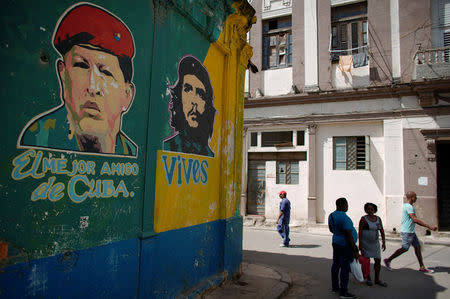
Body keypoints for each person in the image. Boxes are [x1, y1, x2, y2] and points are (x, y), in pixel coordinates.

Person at [19, 3, 137, 156]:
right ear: (63, 75)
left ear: (127, 94)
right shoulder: (37, 139)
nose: (92, 87)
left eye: (106, 72)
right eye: (81, 65)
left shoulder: (130, 152)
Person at [163, 55, 216, 157]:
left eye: (200, 94)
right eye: (188, 89)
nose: (194, 101)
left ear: (207, 105)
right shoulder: (166, 148)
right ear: (179, 96)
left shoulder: (210, 156)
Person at [384, 191, 438, 273]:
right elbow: (414, 219)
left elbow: (413, 219)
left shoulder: (407, 206)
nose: (416, 198)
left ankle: (422, 267)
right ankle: (388, 260)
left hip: (411, 232)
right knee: (405, 248)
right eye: (415, 197)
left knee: (417, 247)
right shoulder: (409, 207)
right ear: (412, 197)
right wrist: (429, 226)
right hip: (407, 232)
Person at [328, 197, 359, 299]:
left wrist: (338, 234)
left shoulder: (331, 215)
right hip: (345, 245)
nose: (347, 206)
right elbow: (348, 234)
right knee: (345, 268)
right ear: (343, 205)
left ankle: (335, 287)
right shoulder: (345, 218)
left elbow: (331, 229)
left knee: (336, 264)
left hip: (336, 242)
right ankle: (343, 292)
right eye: (346, 204)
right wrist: (354, 248)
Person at [358, 202, 387, 287]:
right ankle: (368, 278)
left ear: (374, 210)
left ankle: (377, 279)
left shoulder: (378, 219)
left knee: (377, 260)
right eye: (368, 209)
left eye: (372, 209)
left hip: (375, 243)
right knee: (367, 262)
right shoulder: (363, 219)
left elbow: (381, 230)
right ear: (366, 210)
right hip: (365, 243)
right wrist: (360, 244)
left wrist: (384, 241)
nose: (370, 210)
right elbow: (360, 232)